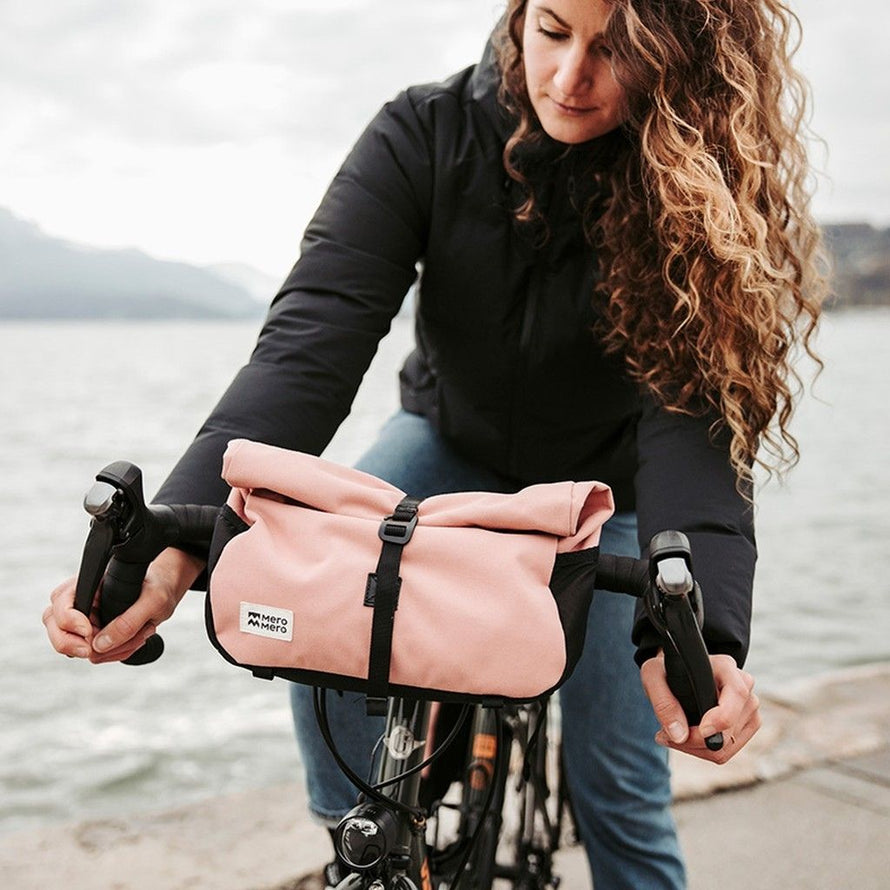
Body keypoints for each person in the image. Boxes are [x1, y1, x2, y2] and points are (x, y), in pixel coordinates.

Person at [44, 0, 825, 887]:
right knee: (327, 598)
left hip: (607, 490)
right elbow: (313, 341)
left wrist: (706, 636)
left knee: (621, 784)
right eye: (555, 30)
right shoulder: (426, 131)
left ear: (678, 53)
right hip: (449, 447)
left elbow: (693, 419)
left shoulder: (697, 178)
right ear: (521, 16)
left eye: (616, 50)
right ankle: (372, 852)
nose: (571, 78)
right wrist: (174, 542)